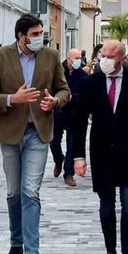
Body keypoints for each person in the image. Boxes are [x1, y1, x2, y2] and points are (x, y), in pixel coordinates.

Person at [0, 14, 71, 254]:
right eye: (34, 33)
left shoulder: (50, 56)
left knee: (30, 192)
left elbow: (65, 90)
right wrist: (12, 98)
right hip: (9, 133)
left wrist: (56, 101)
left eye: (41, 32)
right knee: (14, 193)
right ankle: (16, 244)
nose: (39, 37)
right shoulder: (1, 57)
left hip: (38, 132)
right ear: (21, 36)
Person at [72, 40, 128, 254]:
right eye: (102, 55)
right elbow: (79, 121)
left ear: (122, 58)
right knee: (106, 206)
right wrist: (78, 155)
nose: (104, 59)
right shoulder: (92, 83)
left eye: (109, 56)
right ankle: (111, 252)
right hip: (102, 152)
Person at [51, 48, 89, 187]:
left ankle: (68, 173)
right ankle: (58, 159)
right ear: (68, 59)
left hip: (75, 114)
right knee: (54, 141)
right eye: (76, 57)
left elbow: (85, 96)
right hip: (59, 112)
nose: (79, 60)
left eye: (80, 57)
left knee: (72, 144)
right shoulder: (57, 72)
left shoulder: (83, 76)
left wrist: (73, 98)